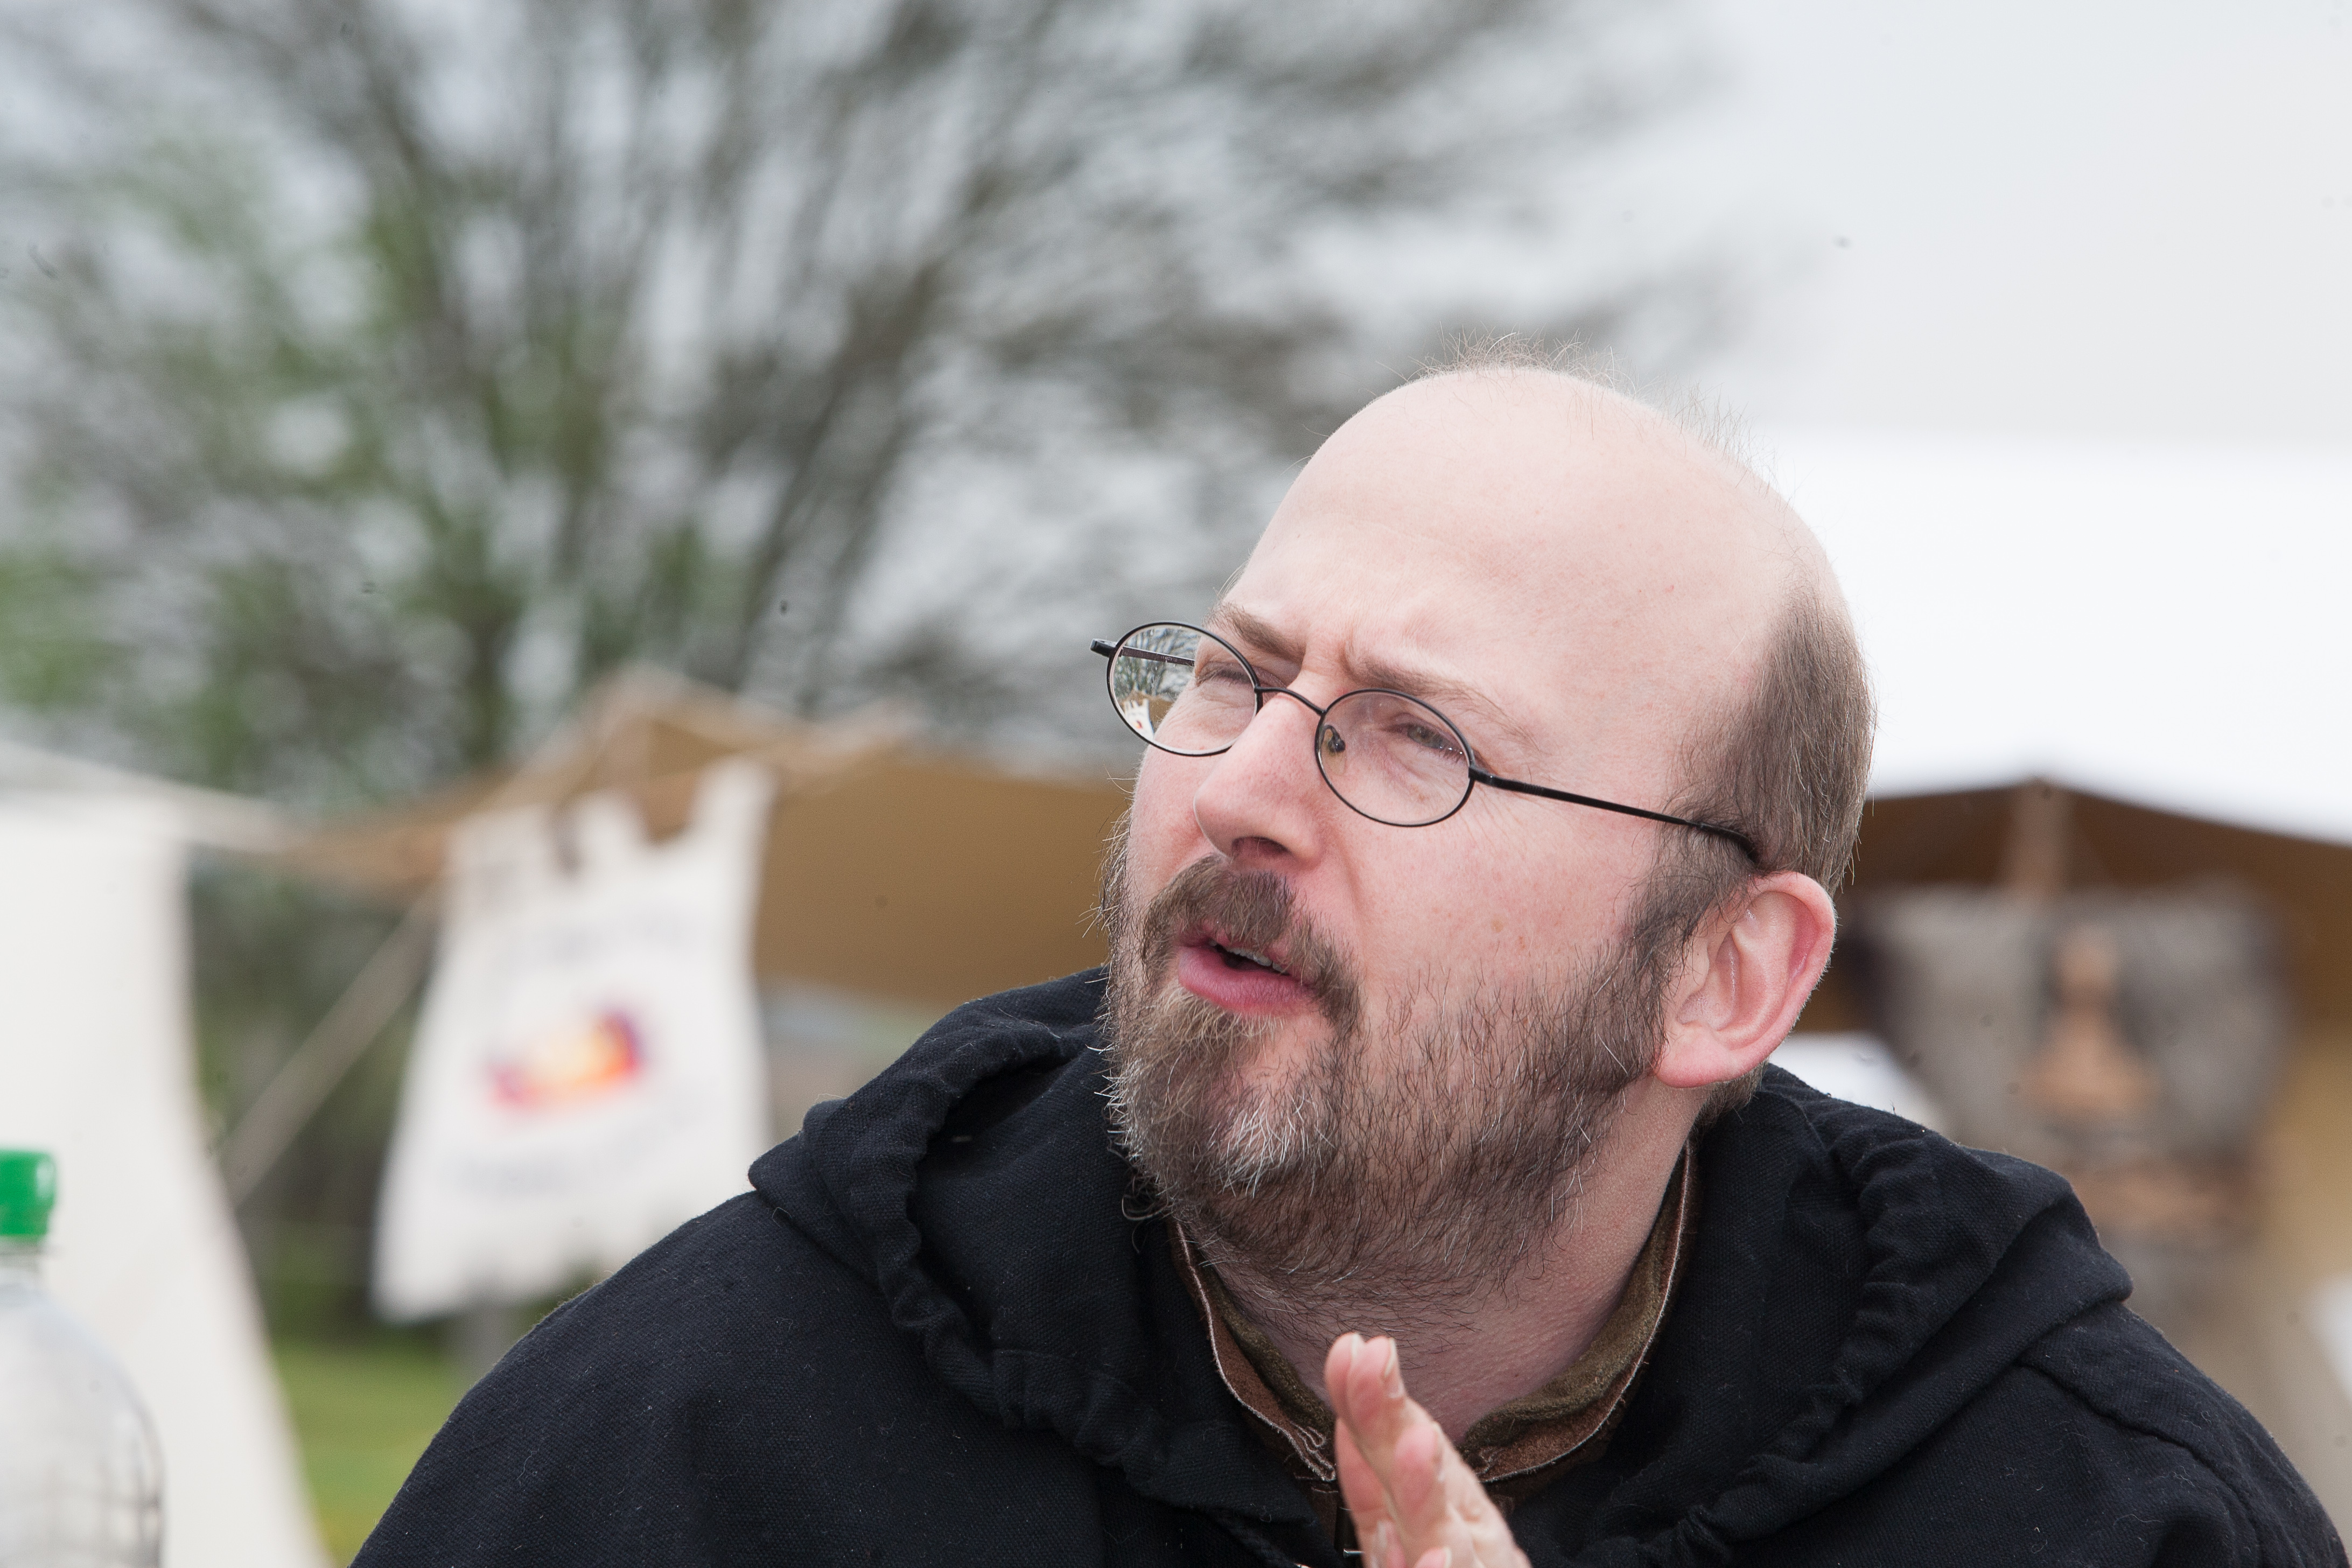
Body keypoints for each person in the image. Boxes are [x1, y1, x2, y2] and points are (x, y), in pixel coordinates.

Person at [355, 345, 2342, 1566]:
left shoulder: (2094, 1511)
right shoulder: (695, 1435)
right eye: (1234, 674)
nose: (1239, 790)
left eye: (1418, 738)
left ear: (1724, 976)